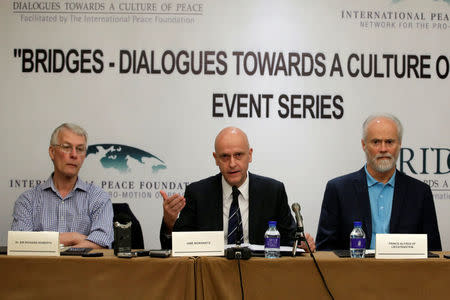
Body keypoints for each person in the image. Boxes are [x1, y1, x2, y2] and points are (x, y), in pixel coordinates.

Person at [159, 126, 316, 251]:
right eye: (225, 156)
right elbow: (179, 247)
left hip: (260, 277)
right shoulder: (198, 193)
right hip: (211, 275)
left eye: (238, 155)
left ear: (250, 155)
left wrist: (301, 242)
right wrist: (169, 224)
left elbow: (289, 240)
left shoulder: (273, 191)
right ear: (216, 159)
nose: (232, 163)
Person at [316, 113, 441, 251]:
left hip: (405, 271)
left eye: (389, 142)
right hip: (354, 271)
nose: (383, 149)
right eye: (376, 142)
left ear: (399, 144)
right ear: (364, 145)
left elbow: (433, 252)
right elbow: (324, 251)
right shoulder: (338, 190)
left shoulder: (420, 193)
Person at [11, 123, 114, 249]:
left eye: (80, 149)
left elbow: (101, 242)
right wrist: (73, 238)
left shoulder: (98, 197)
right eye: (67, 147)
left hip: (83, 269)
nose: (74, 155)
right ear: (52, 152)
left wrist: (42, 244)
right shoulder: (27, 200)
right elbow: (21, 244)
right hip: (41, 269)